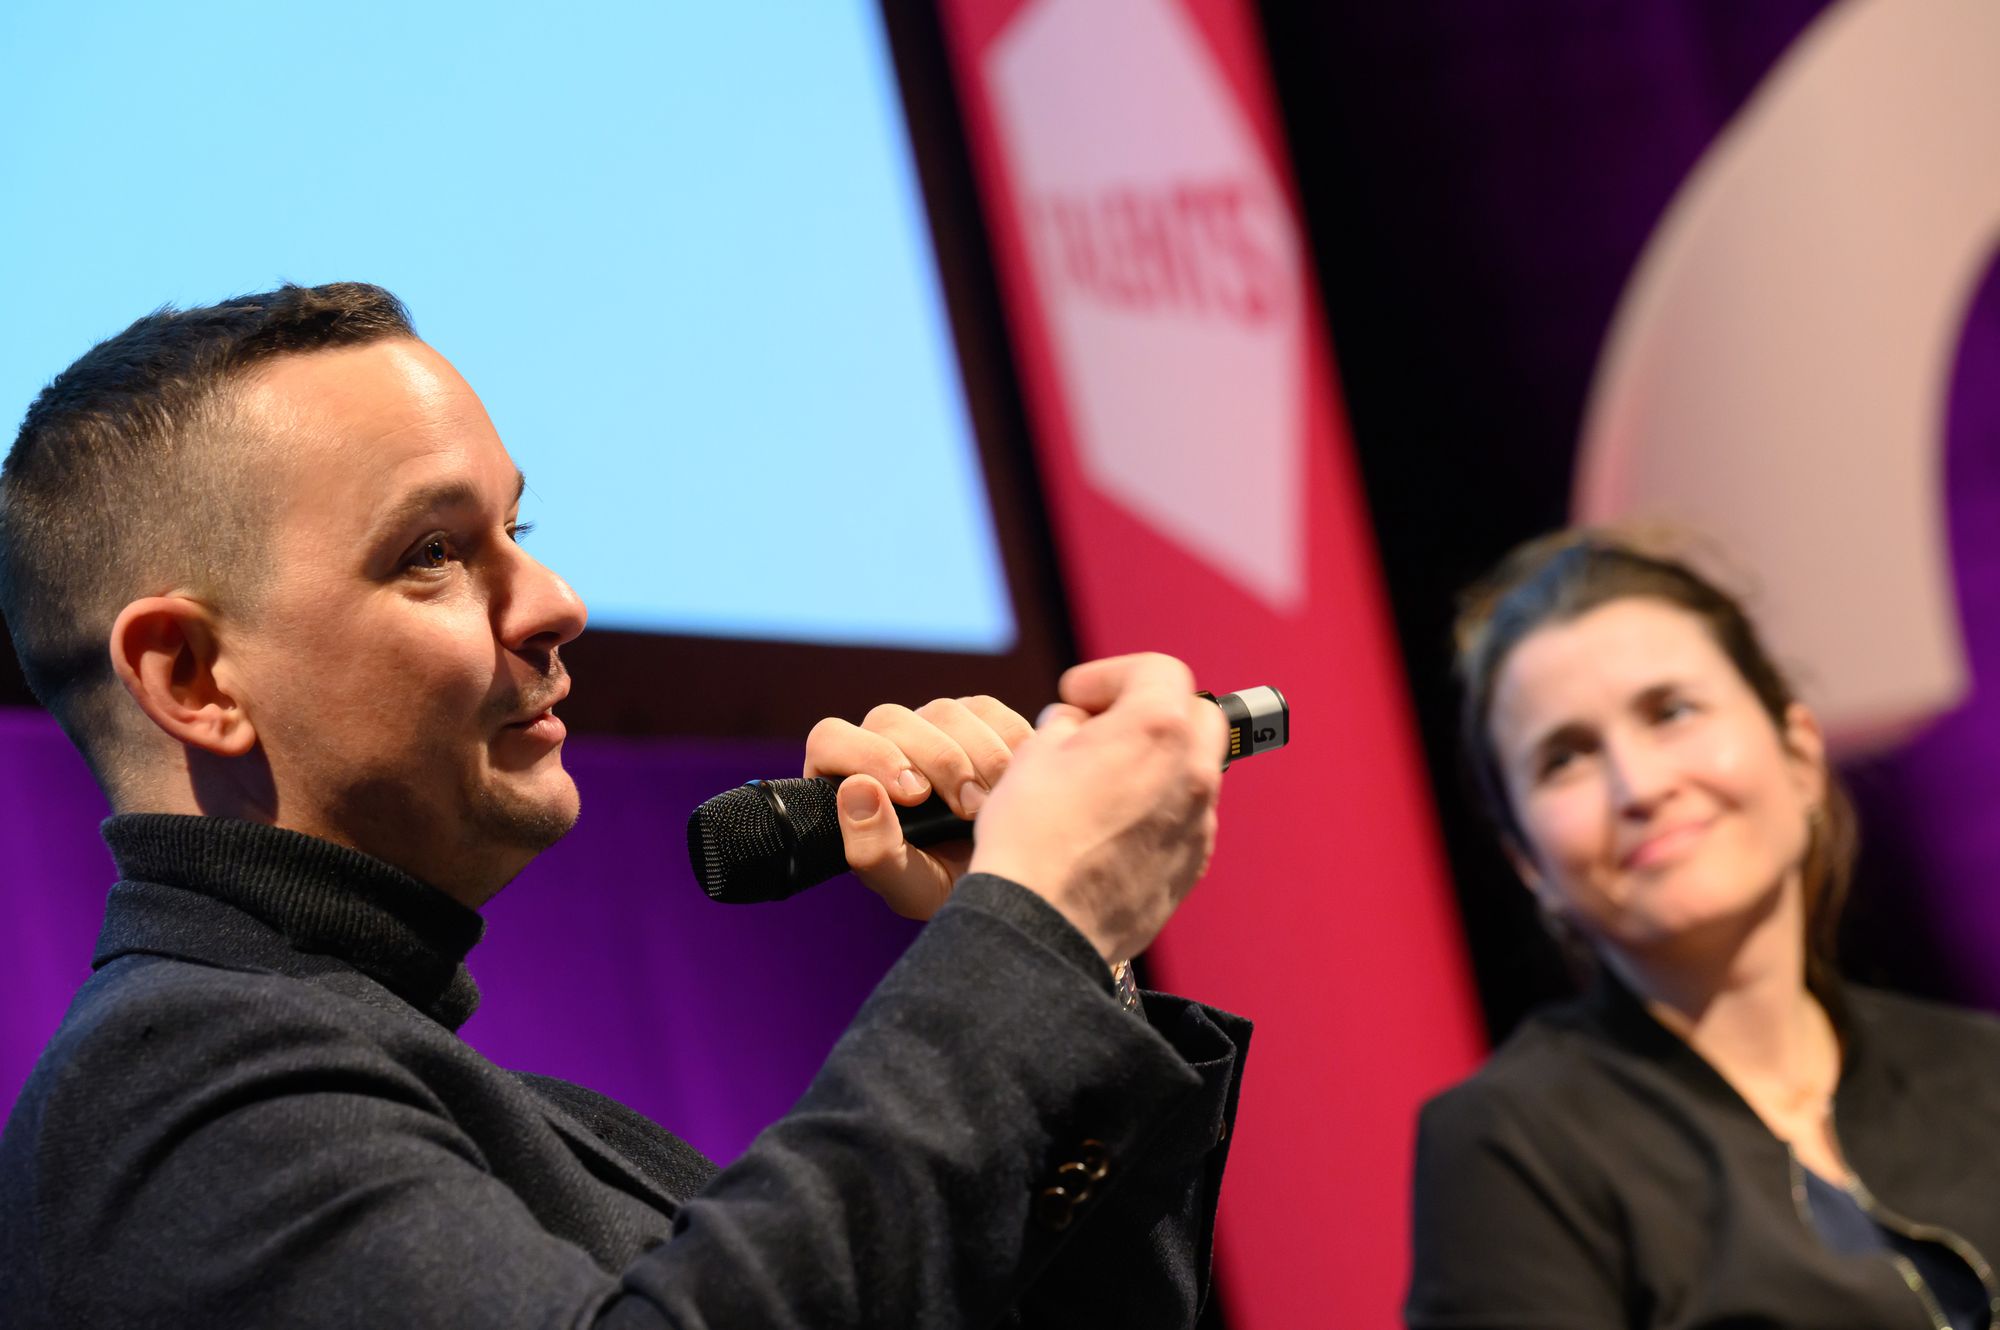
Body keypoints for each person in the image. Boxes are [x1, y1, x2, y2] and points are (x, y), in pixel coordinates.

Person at [0, 283, 1251, 1328]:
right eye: (433, 551)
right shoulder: (175, 1091)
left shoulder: (467, 1108)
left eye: (517, 527)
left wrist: (1079, 979)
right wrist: (1022, 936)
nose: (553, 600)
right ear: (192, 677)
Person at [1404, 528, 2000, 1330]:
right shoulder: (1513, 1147)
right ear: (1529, 864)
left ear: (1799, 756)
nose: (1637, 786)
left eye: (1672, 712)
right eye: (1565, 759)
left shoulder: (1982, 1071)